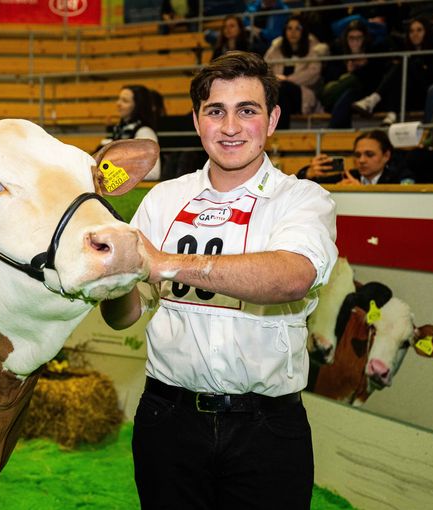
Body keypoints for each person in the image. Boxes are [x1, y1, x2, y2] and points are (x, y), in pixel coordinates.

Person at [100, 51, 338, 509]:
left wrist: (164, 264)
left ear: (272, 120)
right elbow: (125, 316)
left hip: (267, 428)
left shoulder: (304, 199)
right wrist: (112, 279)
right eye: (215, 111)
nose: (230, 127)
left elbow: (292, 277)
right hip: (167, 418)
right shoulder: (163, 199)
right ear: (196, 121)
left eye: (246, 111)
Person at [351, 16, 433, 124]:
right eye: (411, 31)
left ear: (427, 31)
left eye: (419, 30)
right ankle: (391, 113)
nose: (415, 34)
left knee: (404, 64)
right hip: (407, 95)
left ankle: (374, 100)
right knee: (399, 68)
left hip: (425, 94)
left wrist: (417, 66)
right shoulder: (406, 50)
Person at [264, 15, 329, 129]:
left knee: (284, 88)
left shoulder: (313, 49)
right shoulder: (275, 49)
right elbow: (264, 69)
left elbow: (313, 74)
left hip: (302, 95)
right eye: (289, 28)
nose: (293, 32)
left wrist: (287, 80)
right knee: (280, 91)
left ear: (303, 31)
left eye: (297, 28)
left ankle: (280, 132)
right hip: (278, 92)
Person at [297, 130, 415, 184]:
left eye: (369, 154)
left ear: (386, 156)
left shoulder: (400, 178)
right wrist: (308, 173)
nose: (362, 160)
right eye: (357, 155)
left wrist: (361, 192)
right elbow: (299, 187)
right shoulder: (348, 177)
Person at [96, 85, 161, 181]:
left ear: (137, 106)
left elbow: (153, 173)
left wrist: (114, 176)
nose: (118, 103)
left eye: (125, 101)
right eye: (119, 99)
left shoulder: (145, 132)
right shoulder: (118, 130)